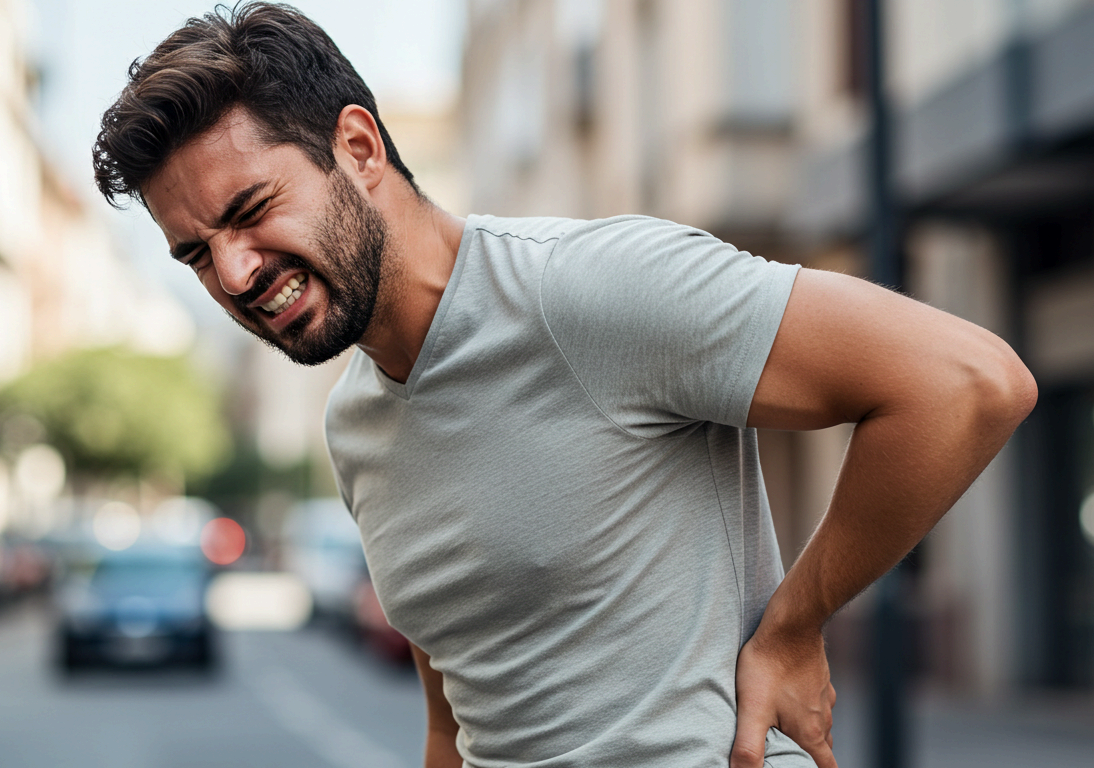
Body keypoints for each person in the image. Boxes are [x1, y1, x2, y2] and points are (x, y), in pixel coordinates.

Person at [93, 4, 1036, 767]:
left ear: (360, 148)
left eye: (251, 210)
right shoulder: (356, 427)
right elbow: (453, 724)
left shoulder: (583, 289)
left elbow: (965, 382)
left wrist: (796, 625)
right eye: (197, 255)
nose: (235, 273)